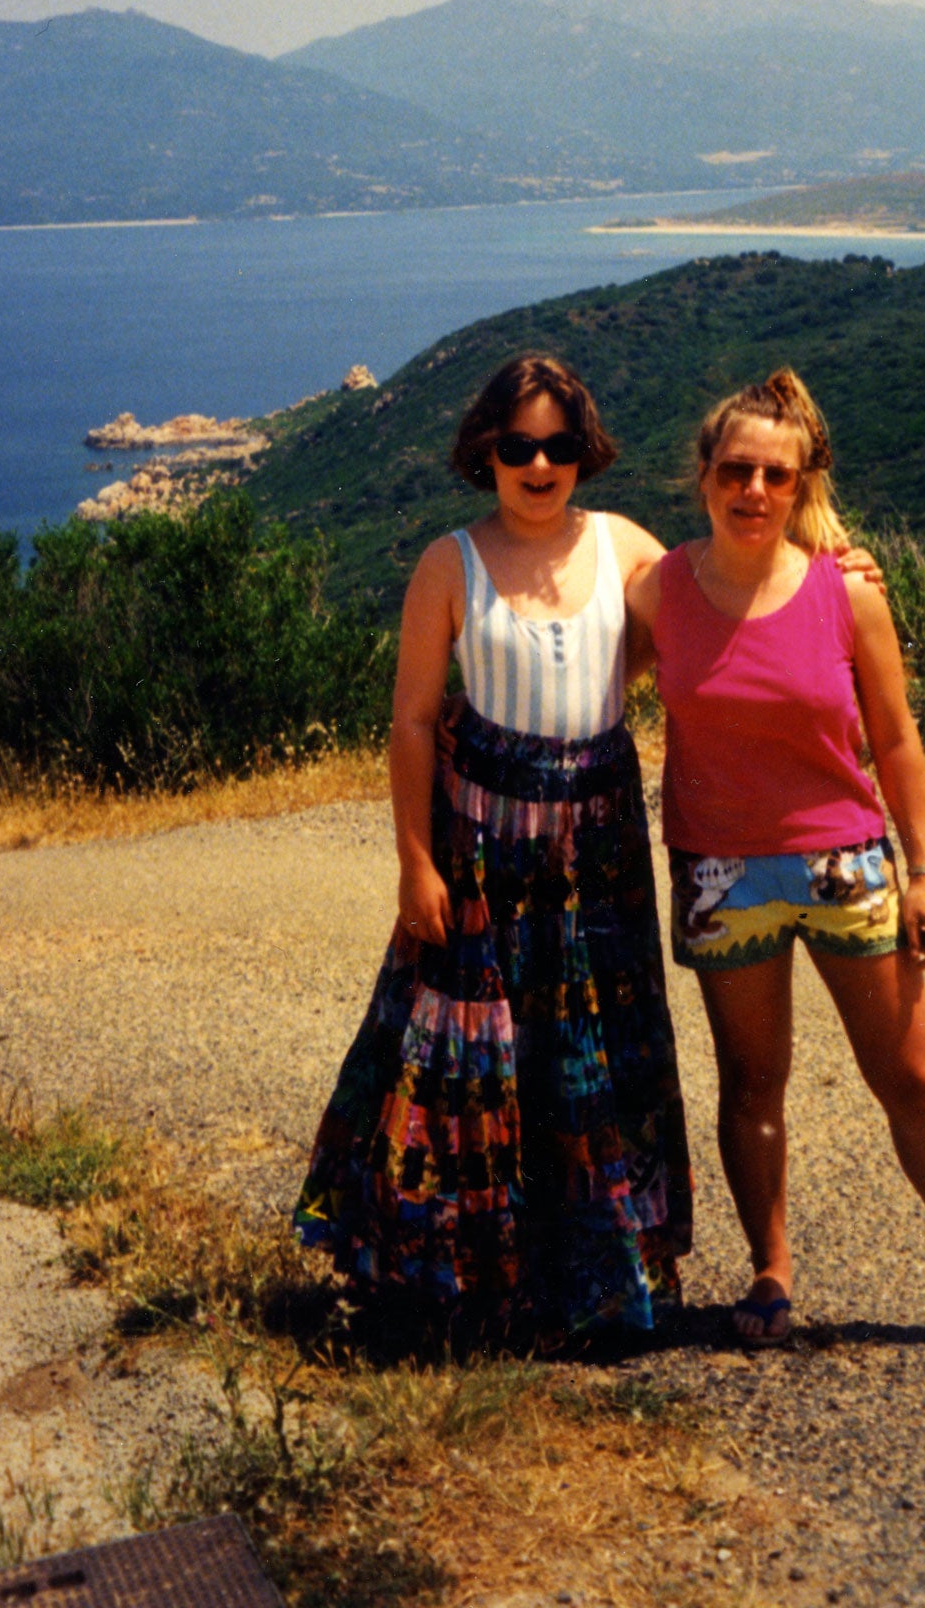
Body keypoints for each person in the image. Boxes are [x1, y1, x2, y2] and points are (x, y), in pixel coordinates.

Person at [627, 369, 925, 1373]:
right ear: (702, 478)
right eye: (733, 471)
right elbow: (582, 667)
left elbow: (896, 739)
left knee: (913, 1081)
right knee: (752, 1081)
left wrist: (924, 869)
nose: (751, 490)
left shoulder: (846, 593)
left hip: (845, 862)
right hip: (720, 872)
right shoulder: (660, 591)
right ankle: (770, 1270)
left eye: (772, 473)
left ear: (801, 481)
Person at [294, 353, 693, 1344]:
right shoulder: (450, 562)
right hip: (477, 855)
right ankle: (458, 1288)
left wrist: (835, 562)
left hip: (594, 853)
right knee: (472, 1065)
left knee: (589, 1062)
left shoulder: (624, 546)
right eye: (520, 445)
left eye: (559, 444)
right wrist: (413, 861)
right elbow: (412, 723)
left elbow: (726, 591)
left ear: (582, 452)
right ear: (487, 451)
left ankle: (600, 1288)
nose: (540, 463)